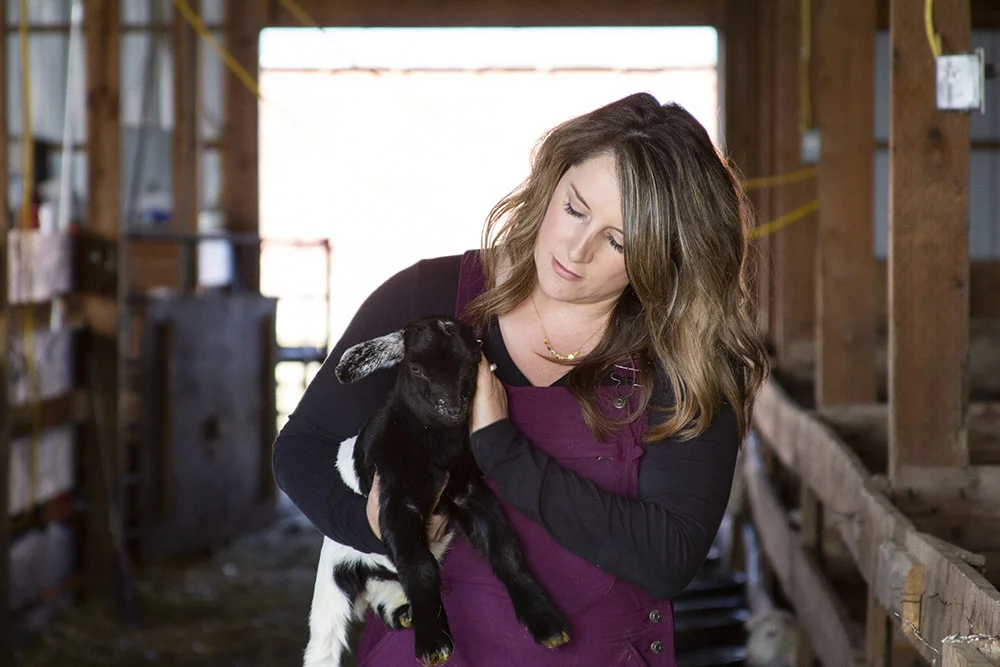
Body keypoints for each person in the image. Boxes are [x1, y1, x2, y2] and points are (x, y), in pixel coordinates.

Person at [273, 92, 769, 666]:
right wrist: (367, 524)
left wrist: (501, 450)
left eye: (618, 240)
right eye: (576, 208)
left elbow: (668, 558)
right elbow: (299, 449)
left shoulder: (682, 355)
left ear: (667, 255)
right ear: (553, 181)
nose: (574, 250)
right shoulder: (429, 297)